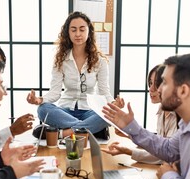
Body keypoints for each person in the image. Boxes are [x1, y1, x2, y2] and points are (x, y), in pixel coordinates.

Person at [26, 11, 124, 140]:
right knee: (43, 110)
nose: (78, 34)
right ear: (68, 33)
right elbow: (55, 93)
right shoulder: (60, 59)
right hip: (65, 111)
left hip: (90, 111)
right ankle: (90, 130)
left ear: (89, 32)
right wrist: (39, 100)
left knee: (110, 114)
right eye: (73, 30)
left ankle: (63, 133)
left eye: (82, 30)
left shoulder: (100, 61)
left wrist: (113, 104)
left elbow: (104, 91)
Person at [102, 64, 179, 164]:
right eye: (150, 83)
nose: (151, 89)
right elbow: (158, 147)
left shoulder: (179, 117)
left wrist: (128, 151)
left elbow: (166, 155)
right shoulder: (161, 111)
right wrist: (129, 135)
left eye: (156, 84)